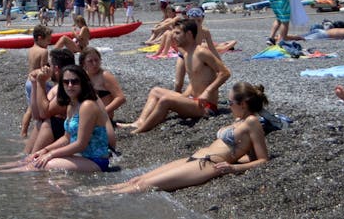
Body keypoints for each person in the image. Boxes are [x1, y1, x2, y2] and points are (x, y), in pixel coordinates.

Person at [102, 83, 272, 194]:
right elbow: (246, 151)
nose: (228, 106)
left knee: (143, 187)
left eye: (230, 103)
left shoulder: (252, 122)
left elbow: (263, 159)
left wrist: (233, 168)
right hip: (195, 158)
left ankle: (96, 196)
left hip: (208, 165)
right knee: (138, 180)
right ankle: (95, 193)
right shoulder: (239, 120)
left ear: (242, 104)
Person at [123, 19, 231, 133]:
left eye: (178, 33)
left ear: (189, 34)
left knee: (166, 100)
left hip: (206, 107)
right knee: (155, 91)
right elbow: (196, 79)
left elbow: (225, 73)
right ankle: (140, 121)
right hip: (191, 100)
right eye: (174, 33)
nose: (174, 36)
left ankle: (140, 130)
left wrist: (208, 91)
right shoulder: (186, 53)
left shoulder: (201, 52)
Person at [25, 64, 113, 172]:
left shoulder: (87, 105)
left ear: (83, 83)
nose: (70, 85)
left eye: (74, 82)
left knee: (38, 165)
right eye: (66, 82)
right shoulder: (72, 105)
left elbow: (81, 144)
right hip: (81, 157)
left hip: (96, 160)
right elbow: (67, 138)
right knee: (31, 161)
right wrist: (45, 150)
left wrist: (51, 154)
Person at [80, 48, 126, 121]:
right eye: (90, 61)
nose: (94, 64)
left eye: (96, 60)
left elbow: (120, 98)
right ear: (83, 63)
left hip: (103, 119)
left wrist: (103, 112)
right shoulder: (83, 76)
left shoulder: (105, 76)